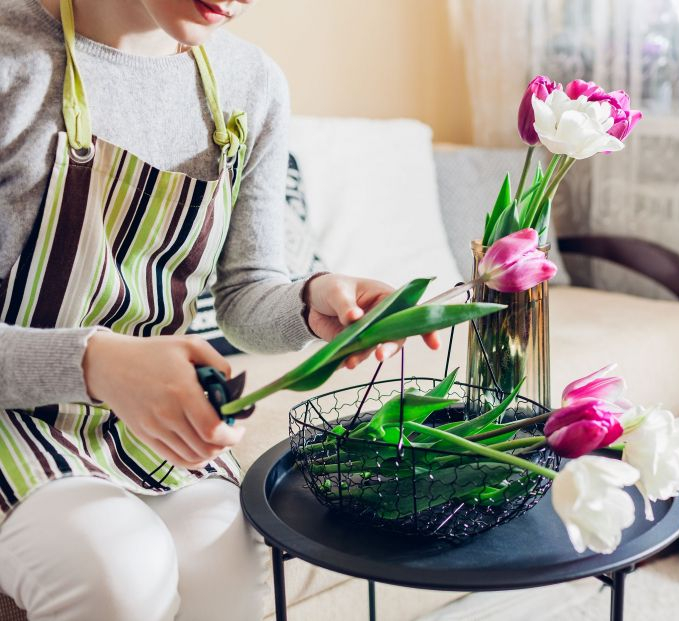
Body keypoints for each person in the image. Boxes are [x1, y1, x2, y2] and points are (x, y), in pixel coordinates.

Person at [0, 1, 439, 619]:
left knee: (230, 557)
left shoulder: (249, 83)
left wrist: (315, 303)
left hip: (160, 426)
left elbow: (247, 294)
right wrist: (98, 365)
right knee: (118, 571)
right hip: (10, 417)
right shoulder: (12, 56)